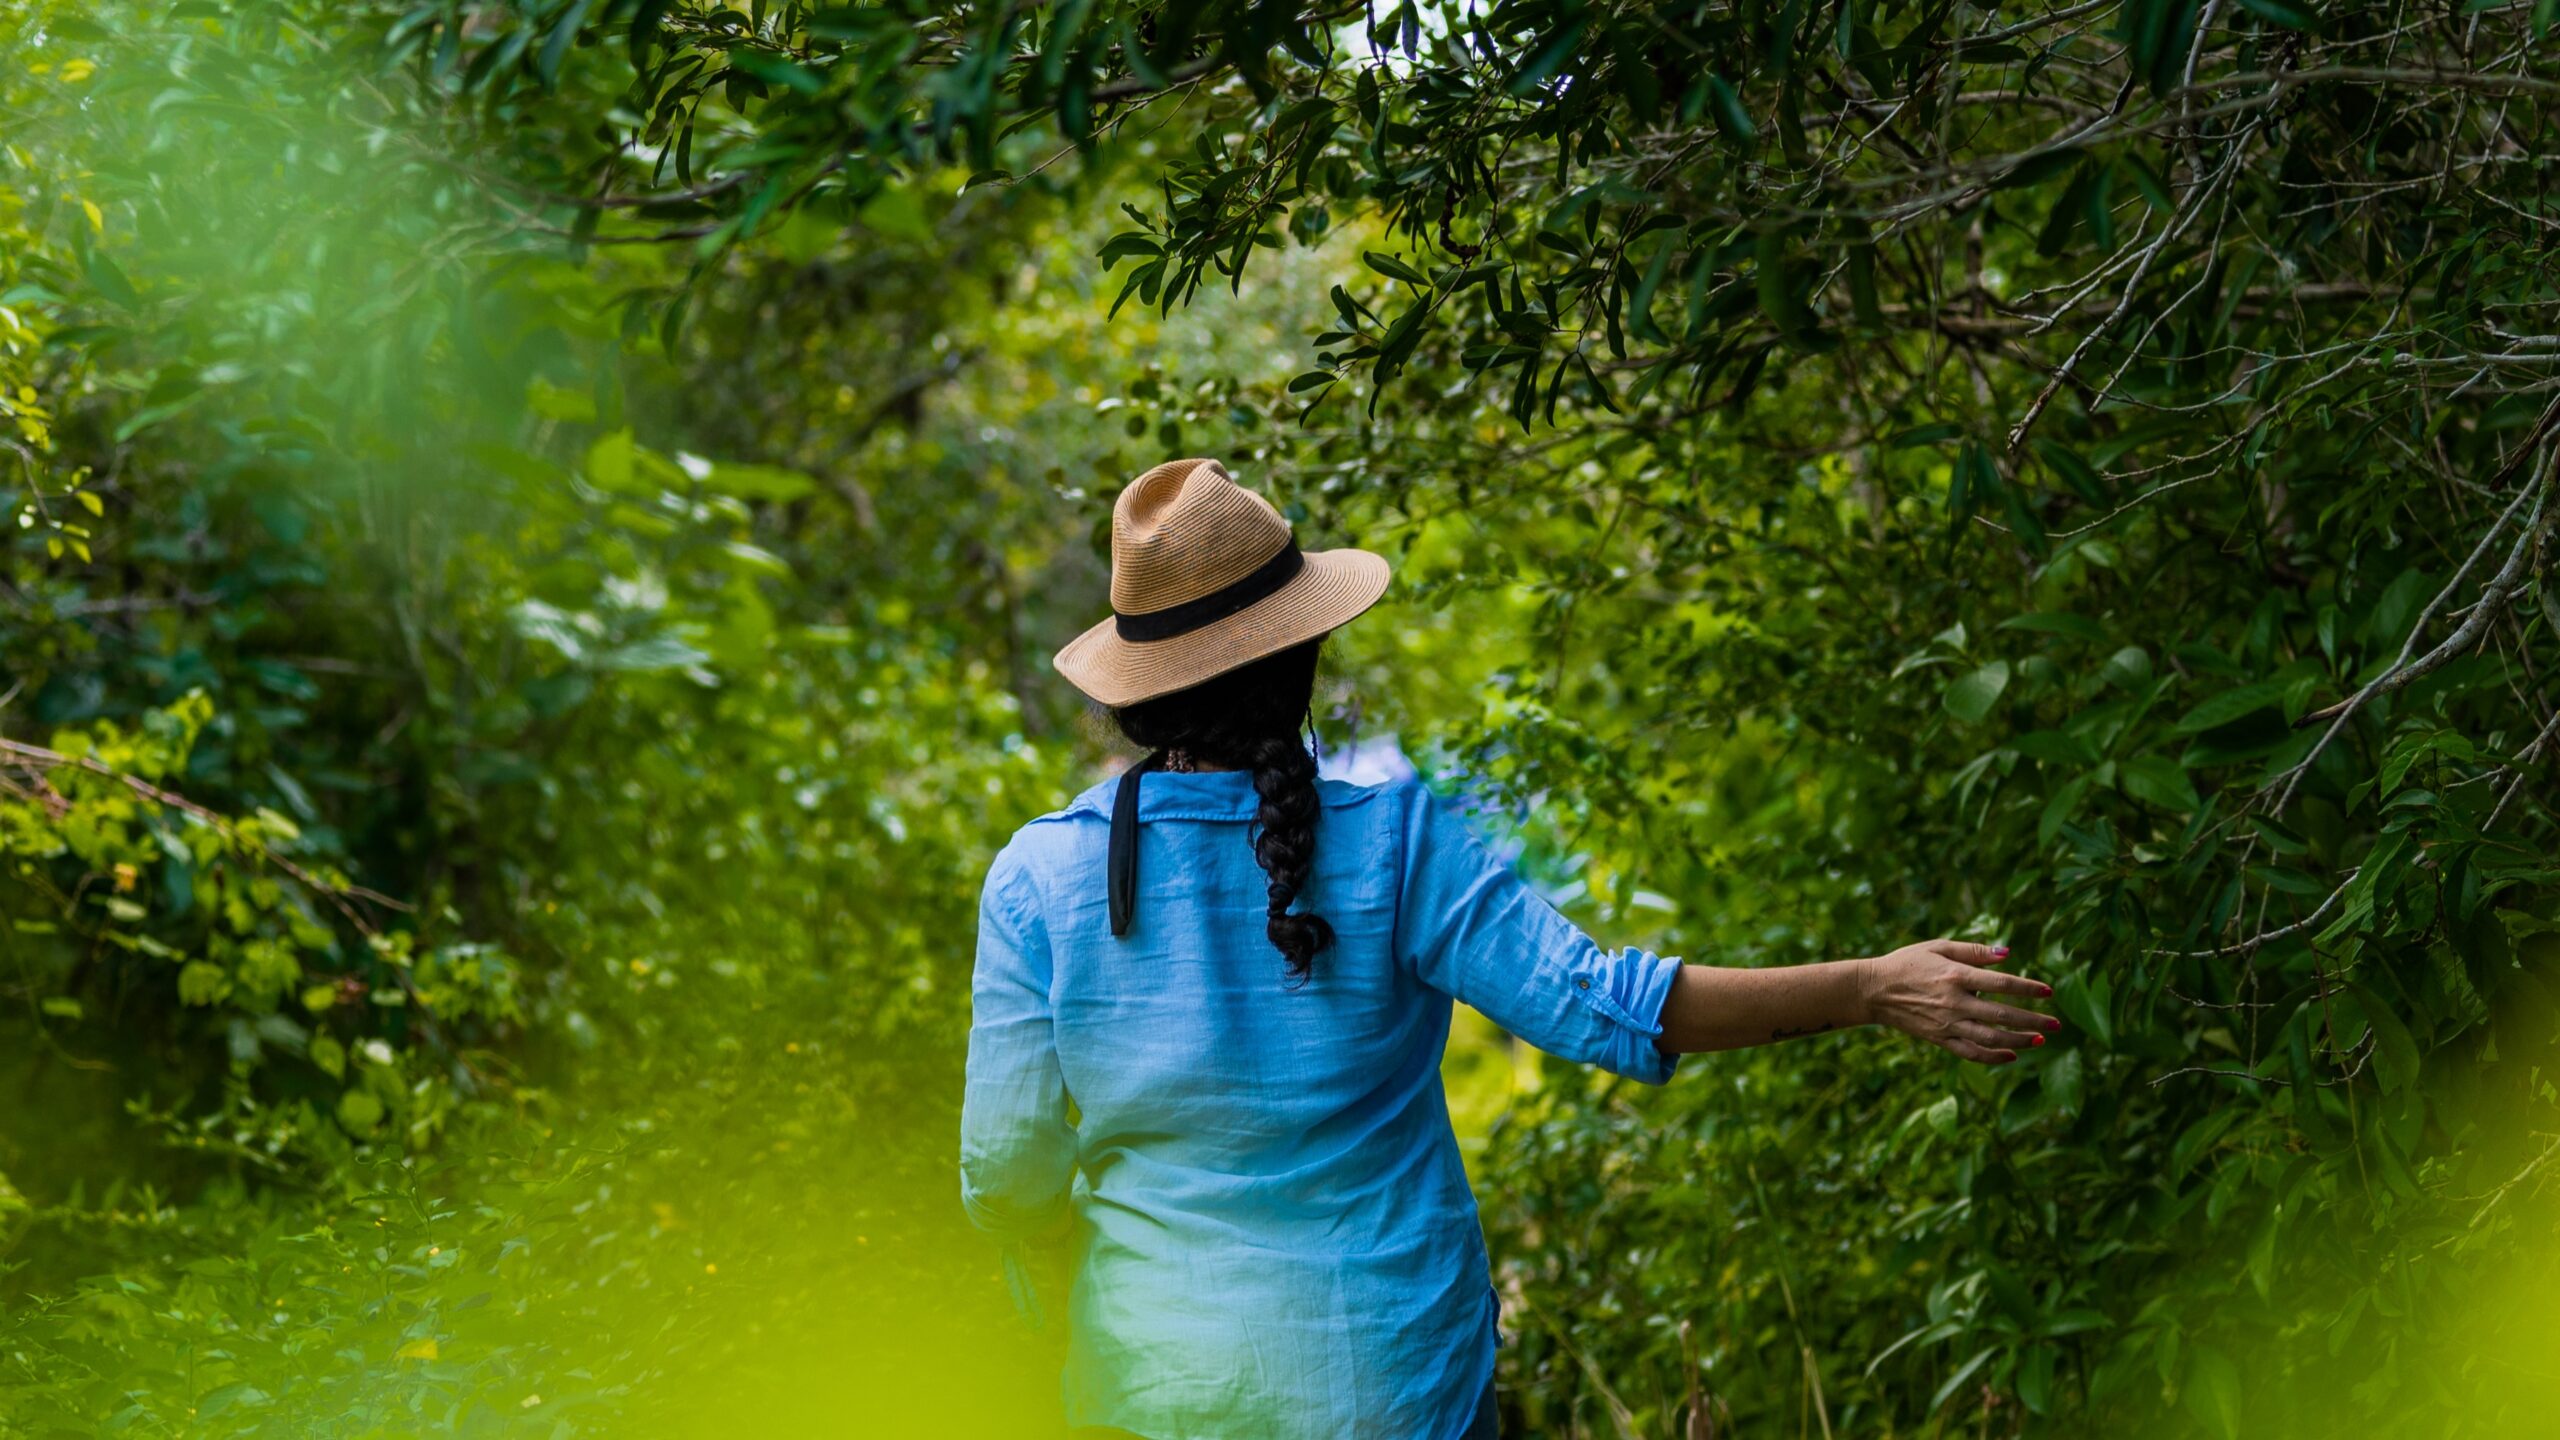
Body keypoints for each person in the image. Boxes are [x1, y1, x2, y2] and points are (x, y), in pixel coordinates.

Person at [960, 458, 2058, 1440]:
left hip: (1155, 1386)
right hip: (1394, 1386)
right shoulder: (1396, 844)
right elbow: (1608, 1007)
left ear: (1140, 694)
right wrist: (1871, 986)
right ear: (1300, 654)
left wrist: (1084, 1273)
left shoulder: (1036, 881)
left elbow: (1004, 1174)